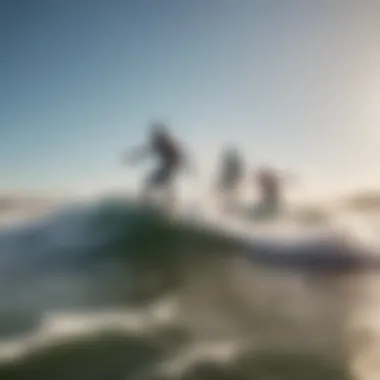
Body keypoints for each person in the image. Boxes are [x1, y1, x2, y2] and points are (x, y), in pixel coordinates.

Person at [125, 122, 188, 209]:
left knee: (155, 182)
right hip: (168, 167)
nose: (153, 139)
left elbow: (179, 154)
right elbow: (145, 150)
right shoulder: (158, 143)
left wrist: (185, 167)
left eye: (155, 137)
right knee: (157, 183)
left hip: (171, 166)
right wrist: (134, 157)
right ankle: (163, 204)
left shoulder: (166, 142)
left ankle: (167, 205)